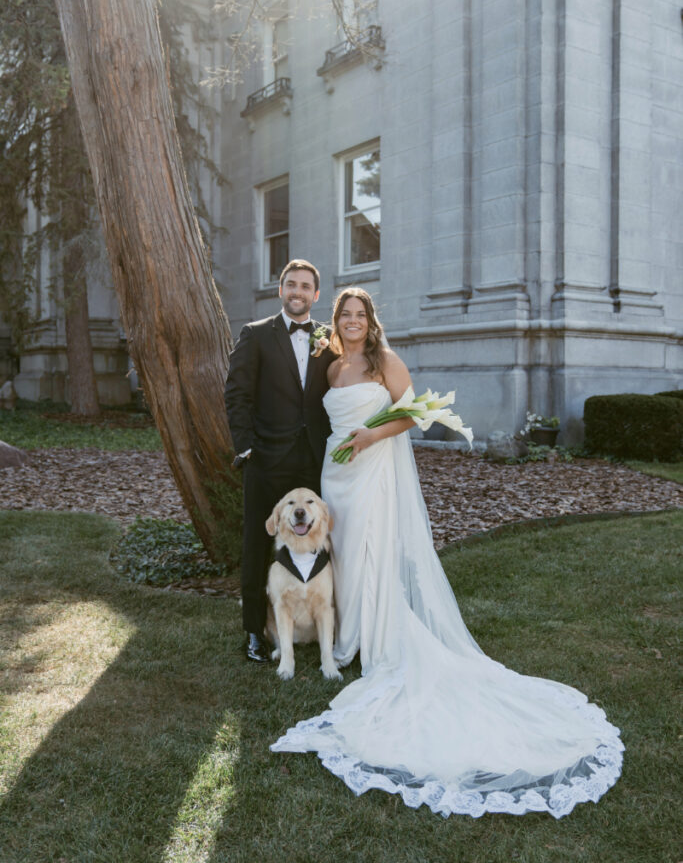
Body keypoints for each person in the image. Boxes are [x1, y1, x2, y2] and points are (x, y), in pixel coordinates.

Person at [271, 287, 624, 818]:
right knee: (340, 552)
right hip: (335, 472)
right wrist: (348, 441)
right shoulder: (331, 369)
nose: (351, 322)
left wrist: (369, 436)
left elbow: (413, 415)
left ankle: (371, 637)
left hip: (372, 467)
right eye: (344, 315)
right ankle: (345, 634)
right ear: (336, 321)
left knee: (371, 548)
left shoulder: (384, 359)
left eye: (359, 315)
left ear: (370, 320)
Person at [224, 260, 336, 662]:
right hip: (266, 461)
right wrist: (248, 448)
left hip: (314, 462)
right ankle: (255, 630)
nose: (297, 292)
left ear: (316, 294)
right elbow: (236, 394)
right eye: (291, 285)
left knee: (321, 543)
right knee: (257, 544)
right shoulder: (255, 335)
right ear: (280, 289)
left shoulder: (329, 337)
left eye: (306, 286)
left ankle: (322, 625)